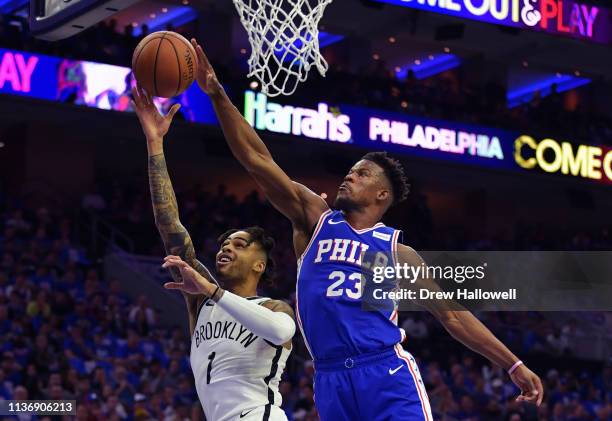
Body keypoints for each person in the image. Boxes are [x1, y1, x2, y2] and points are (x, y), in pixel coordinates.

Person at [189, 39, 545, 420]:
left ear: (381, 193)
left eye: (361, 174)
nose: (349, 175)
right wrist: (218, 95)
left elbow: (453, 316)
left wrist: (512, 364)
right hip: (328, 377)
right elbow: (257, 160)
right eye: (350, 170)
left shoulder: (395, 252)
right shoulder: (315, 219)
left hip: (385, 372)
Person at [131, 85, 296, 421]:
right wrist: (155, 143)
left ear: (259, 265)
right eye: (224, 244)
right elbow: (169, 223)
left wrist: (211, 289)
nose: (226, 248)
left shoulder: (272, 307)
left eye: (239, 245)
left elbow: (281, 332)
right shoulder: (201, 300)